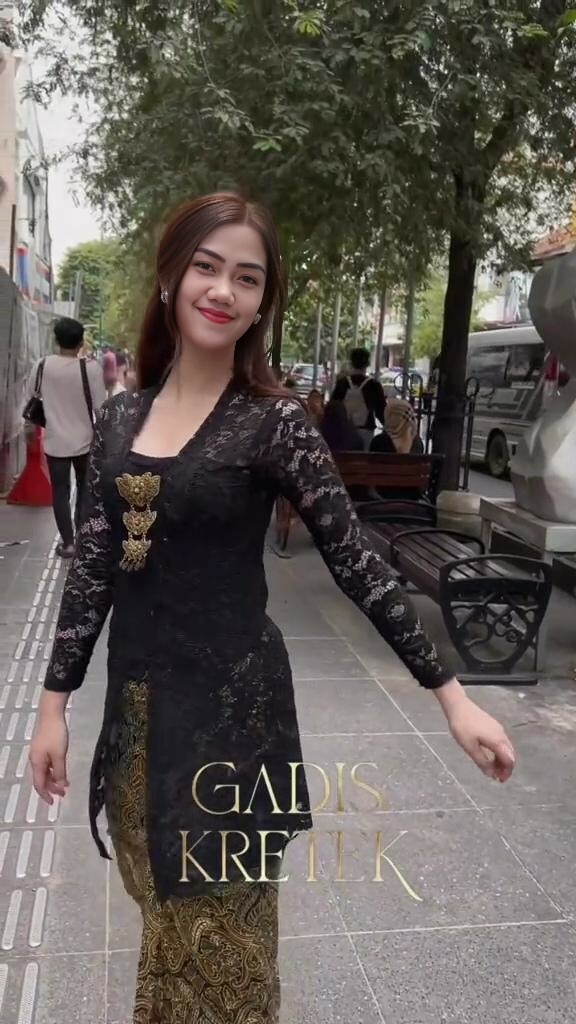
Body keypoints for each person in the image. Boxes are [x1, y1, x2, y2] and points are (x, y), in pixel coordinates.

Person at [29, 193, 515, 1024]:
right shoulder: (119, 418)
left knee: (230, 954)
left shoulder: (274, 421)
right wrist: (52, 709)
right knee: (161, 919)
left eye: (247, 278)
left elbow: (354, 557)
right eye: (207, 267)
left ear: (262, 302)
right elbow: (95, 572)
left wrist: (452, 695)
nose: (224, 290)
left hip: (233, 725)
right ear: (172, 276)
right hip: (137, 719)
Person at [25, 317, 106, 559]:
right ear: (81, 342)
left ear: (56, 340)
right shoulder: (91, 369)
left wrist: (29, 432)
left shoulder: (42, 366)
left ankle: (68, 544)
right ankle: (81, 539)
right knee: (84, 490)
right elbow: (101, 409)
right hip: (85, 442)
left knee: (60, 492)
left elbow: (31, 399)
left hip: (55, 442)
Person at [331, 346, 386, 448]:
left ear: (351, 363)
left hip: (345, 430)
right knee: (363, 456)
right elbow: (381, 411)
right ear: (367, 364)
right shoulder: (374, 385)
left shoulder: (342, 383)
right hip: (366, 430)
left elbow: (333, 408)